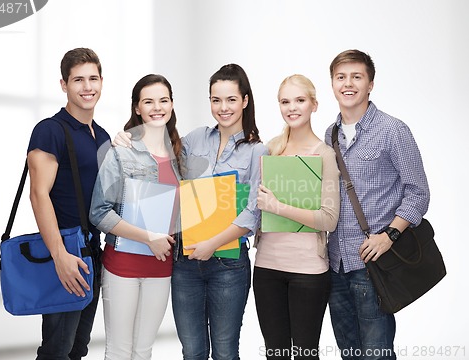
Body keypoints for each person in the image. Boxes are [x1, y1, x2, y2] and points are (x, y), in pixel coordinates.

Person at [324, 50, 430, 360]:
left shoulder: (393, 130)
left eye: (356, 77)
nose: (348, 84)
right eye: (341, 77)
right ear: (332, 84)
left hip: (373, 265)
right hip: (336, 265)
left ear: (370, 84)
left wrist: (389, 235)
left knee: (377, 355)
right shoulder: (329, 135)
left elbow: (418, 193)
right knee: (349, 354)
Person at [171, 63, 268, 360]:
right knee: (192, 351)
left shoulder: (257, 151)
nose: (222, 107)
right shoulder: (195, 138)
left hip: (228, 264)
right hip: (186, 262)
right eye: (216, 100)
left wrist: (212, 244)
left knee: (225, 352)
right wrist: (129, 137)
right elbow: (162, 156)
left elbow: (253, 212)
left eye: (230, 99)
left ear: (245, 101)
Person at [89, 74, 182, 359]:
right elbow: (99, 212)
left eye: (163, 100)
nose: (157, 107)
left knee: (143, 351)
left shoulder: (179, 153)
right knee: (119, 351)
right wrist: (148, 238)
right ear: (137, 108)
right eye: (148, 101)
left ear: (171, 104)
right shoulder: (121, 151)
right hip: (123, 266)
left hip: (162, 267)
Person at [27, 48, 111, 360]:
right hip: (65, 252)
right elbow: (38, 195)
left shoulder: (102, 136)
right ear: (64, 85)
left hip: (93, 254)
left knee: (77, 348)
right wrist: (59, 255)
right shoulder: (50, 130)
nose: (87, 87)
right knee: (56, 350)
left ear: (102, 81)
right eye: (78, 80)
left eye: (93, 78)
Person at [253, 74, 340, 360]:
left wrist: (277, 206)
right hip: (266, 268)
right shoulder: (270, 150)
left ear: (314, 105)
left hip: (308, 271)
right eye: (285, 101)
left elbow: (328, 219)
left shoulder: (324, 154)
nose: (292, 107)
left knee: (305, 354)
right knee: (275, 354)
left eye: (300, 100)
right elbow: (253, 206)